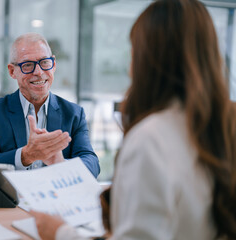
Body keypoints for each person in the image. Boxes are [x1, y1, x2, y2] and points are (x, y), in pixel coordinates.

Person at [30, 0, 236, 239]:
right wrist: (59, 165)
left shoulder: (151, 139)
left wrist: (59, 233)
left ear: (147, 60)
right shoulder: (224, 125)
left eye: (133, 53)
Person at [0, 33, 100, 178]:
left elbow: (92, 164)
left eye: (44, 62)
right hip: (11, 200)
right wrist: (25, 156)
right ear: (12, 71)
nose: (38, 72)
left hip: (56, 199)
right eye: (27, 65)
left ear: (54, 65)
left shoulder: (74, 114)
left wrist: (61, 164)